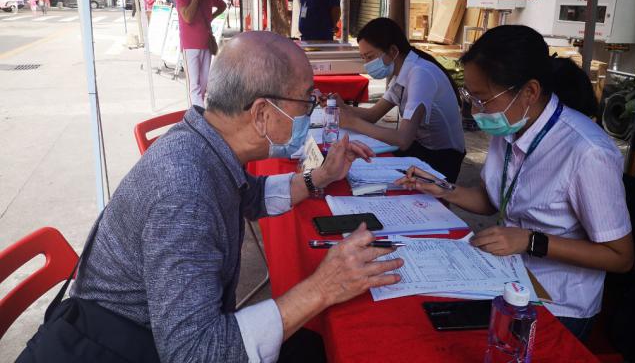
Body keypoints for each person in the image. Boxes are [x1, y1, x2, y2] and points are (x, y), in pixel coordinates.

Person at [17, 32, 403, 363]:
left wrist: (320, 177)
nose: (312, 109)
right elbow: (194, 353)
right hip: (133, 347)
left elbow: (250, 196)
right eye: (306, 100)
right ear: (262, 114)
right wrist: (321, 288)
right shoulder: (184, 192)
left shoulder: (204, 142)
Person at [396, 25, 634, 341]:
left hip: (558, 302)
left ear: (530, 92)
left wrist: (530, 241)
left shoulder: (587, 152)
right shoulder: (510, 127)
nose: (474, 110)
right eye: (470, 97)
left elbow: (620, 257)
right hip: (506, 277)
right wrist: (444, 188)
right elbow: (493, 200)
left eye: (483, 99)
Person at [336, 17, 465, 182]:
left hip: (443, 156)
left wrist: (352, 122)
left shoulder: (420, 73)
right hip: (421, 147)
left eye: (370, 57)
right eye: (363, 58)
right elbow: (373, 114)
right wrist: (341, 107)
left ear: (392, 51)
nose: (367, 64)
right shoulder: (402, 72)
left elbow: (403, 139)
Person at [176, 0, 227, 107]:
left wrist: (211, 17)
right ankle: (197, 116)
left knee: (203, 85)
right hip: (190, 46)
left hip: (206, 44)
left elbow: (222, 5)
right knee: (194, 87)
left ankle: (199, 112)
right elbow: (187, 17)